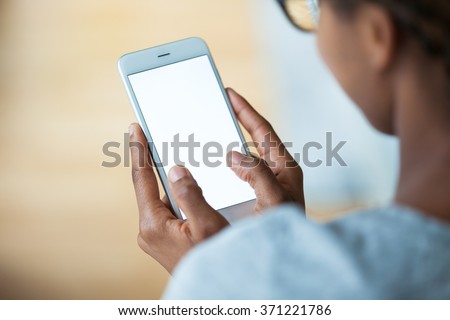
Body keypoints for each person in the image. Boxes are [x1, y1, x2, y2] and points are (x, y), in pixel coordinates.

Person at [127, 0, 450, 298]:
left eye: (315, 11)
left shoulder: (230, 280)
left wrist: (216, 275)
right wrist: (285, 247)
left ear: (375, 34)